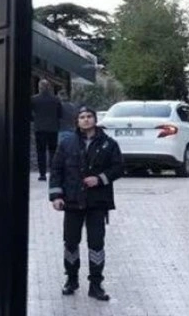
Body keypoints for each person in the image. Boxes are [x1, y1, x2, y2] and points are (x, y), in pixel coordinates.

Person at [49, 106, 123, 301]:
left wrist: (100, 179)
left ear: (95, 119)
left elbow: (118, 168)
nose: (86, 119)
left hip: (97, 202)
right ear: (77, 121)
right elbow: (56, 170)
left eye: (89, 116)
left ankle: (96, 285)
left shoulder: (109, 144)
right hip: (72, 201)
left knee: (96, 244)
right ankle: (71, 279)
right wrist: (56, 196)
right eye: (82, 117)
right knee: (71, 243)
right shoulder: (67, 144)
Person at [31, 79, 62, 181]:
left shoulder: (34, 99)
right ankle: (53, 173)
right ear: (49, 87)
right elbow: (60, 114)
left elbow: (29, 113)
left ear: (39, 87)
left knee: (41, 152)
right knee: (53, 151)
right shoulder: (56, 99)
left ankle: (42, 174)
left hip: (39, 128)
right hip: (53, 128)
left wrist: (35, 119)